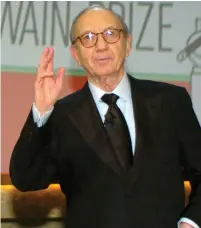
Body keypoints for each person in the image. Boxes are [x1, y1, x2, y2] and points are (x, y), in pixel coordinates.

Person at [9, 5, 201, 228]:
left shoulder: (170, 101)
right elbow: (25, 179)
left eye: (110, 34)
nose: (101, 46)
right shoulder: (61, 115)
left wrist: (191, 222)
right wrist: (41, 112)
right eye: (88, 37)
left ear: (127, 44)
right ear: (76, 55)